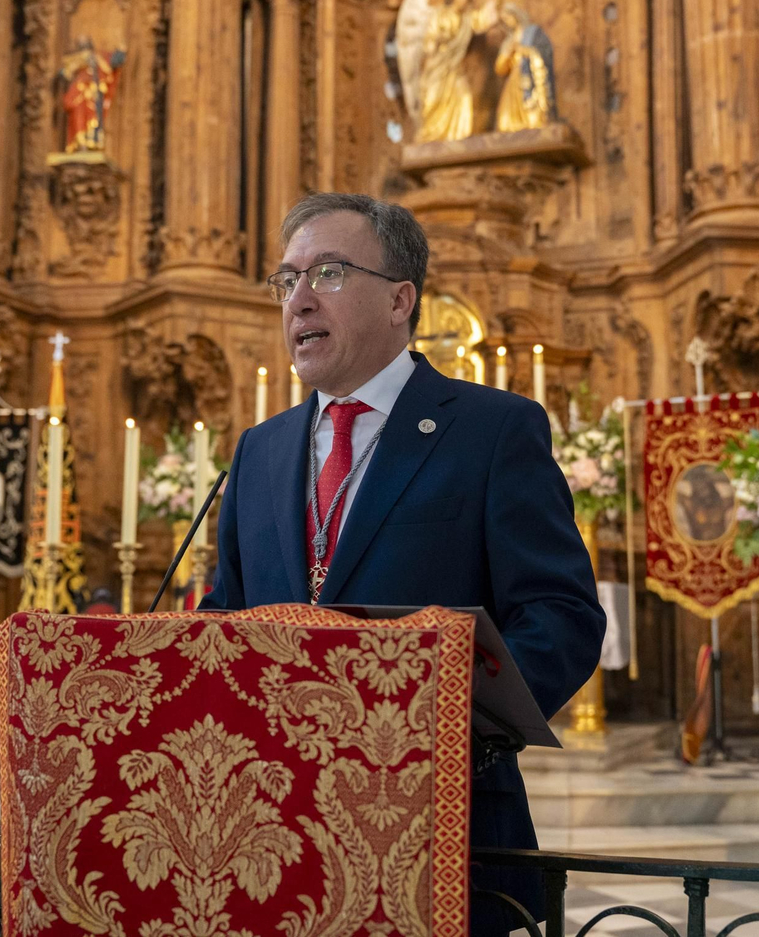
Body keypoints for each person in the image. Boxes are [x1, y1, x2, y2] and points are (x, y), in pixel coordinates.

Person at [201, 192, 604, 934]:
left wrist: (444, 722)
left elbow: (562, 616)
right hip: (274, 837)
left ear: (400, 298)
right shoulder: (260, 451)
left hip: (444, 829)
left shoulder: (492, 430)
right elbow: (224, 618)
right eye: (285, 281)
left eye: (326, 273)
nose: (298, 300)